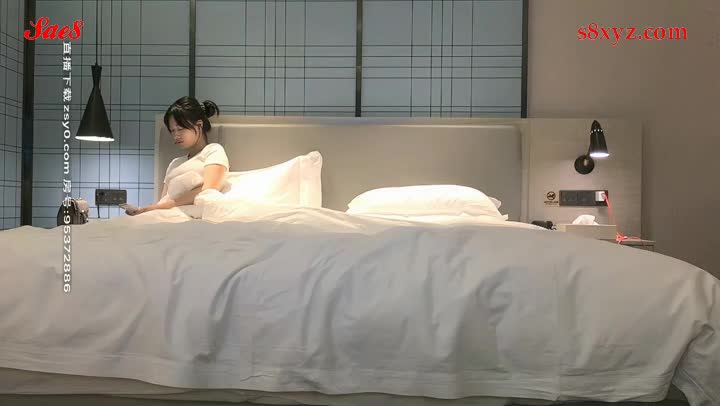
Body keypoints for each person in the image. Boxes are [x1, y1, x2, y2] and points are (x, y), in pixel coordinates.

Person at [125, 97, 229, 216]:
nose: (176, 135)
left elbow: (209, 190)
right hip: (166, 214)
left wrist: (158, 207)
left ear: (199, 125)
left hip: (190, 214)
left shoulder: (213, 150)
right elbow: (163, 201)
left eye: (180, 129)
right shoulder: (175, 163)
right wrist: (149, 210)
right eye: (172, 130)